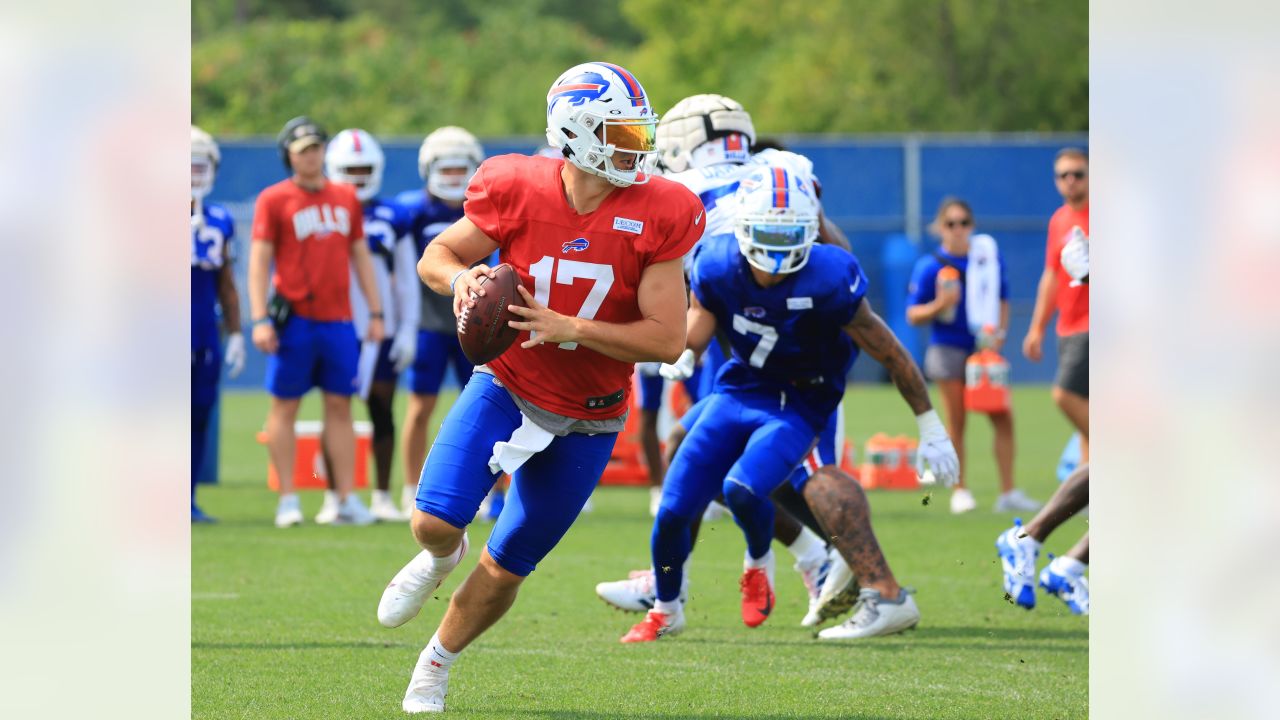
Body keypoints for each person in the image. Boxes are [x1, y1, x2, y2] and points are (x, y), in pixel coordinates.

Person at [376, 62, 703, 713]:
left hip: (593, 413)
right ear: (575, 134)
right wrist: (461, 282)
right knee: (433, 521)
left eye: (641, 136)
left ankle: (435, 664)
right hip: (509, 381)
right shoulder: (517, 184)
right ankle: (441, 559)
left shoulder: (664, 208)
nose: (636, 150)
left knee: (510, 561)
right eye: (621, 135)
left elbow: (668, 339)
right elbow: (436, 256)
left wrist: (572, 327)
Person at [618, 164, 960, 644]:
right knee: (675, 504)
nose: (776, 251)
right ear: (741, 227)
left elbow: (888, 349)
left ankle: (761, 562)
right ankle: (666, 610)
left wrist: (929, 423)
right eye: (766, 234)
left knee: (743, 487)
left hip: (800, 401)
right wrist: (686, 351)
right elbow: (702, 316)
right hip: (741, 389)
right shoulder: (716, 262)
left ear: (812, 231)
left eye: (790, 235)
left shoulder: (829, 274)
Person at [596, 93, 854, 623]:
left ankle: (858, 573)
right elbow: (840, 255)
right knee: (693, 453)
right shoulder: (781, 172)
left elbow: (652, 271)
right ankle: (675, 582)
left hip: (773, 359)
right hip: (743, 345)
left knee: (786, 476)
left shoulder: (680, 189)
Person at [247, 116, 385, 528]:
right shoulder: (274, 199)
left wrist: (375, 312)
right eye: (303, 149)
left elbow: (360, 255)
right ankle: (288, 498)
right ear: (288, 153)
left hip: (338, 321)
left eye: (317, 148)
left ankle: (345, 498)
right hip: (295, 322)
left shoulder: (345, 198)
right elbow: (259, 261)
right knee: (284, 406)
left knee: (340, 405)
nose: (312, 156)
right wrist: (259, 318)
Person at [906, 198, 1039, 514]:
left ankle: (1008, 491)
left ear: (972, 226)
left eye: (964, 223)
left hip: (983, 351)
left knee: (1003, 416)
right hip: (948, 348)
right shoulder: (930, 265)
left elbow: (1003, 299)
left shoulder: (988, 259)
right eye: (951, 224)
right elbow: (913, 314)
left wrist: (1000, 336)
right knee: (957, 421)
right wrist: (941, 304)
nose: (958, 230)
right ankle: (960, 490)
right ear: (940, 228)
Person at [316, 128, 419, 523]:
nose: (358, 178)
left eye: (364, 169)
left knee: (382, 410)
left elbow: (408, 279)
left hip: (382, 328)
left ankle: (380, 495)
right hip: (336, 324)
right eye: (350, 169)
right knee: (335, 411)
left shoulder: (394, 215)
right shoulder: (323, 210)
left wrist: (408, 328)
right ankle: (335, 497)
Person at [394, 126, 486, 517]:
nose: (452, 178)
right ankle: (410, 487)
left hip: (477, 322)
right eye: (445, 170)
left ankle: (489, 492)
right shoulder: (411, 212)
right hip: (428, 324)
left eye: (458, 169)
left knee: (486, 408)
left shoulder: (483, 208)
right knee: (419, 408)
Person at [191, 125, 244, 523]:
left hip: (204, 331)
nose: (194, 172)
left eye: (201, 164)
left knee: (198, 414)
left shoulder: (220, 219)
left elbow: (226, 281)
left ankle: (186, 498)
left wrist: (236, 331)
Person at [1024, 148, 1090, 462]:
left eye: (1078, 174)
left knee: (1065, 396)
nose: (1071, 181)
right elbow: (1051, 275)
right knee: (1086, 413)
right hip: (1068, 324)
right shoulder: (1059, 220)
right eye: (1064, 175)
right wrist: (1037, 327)